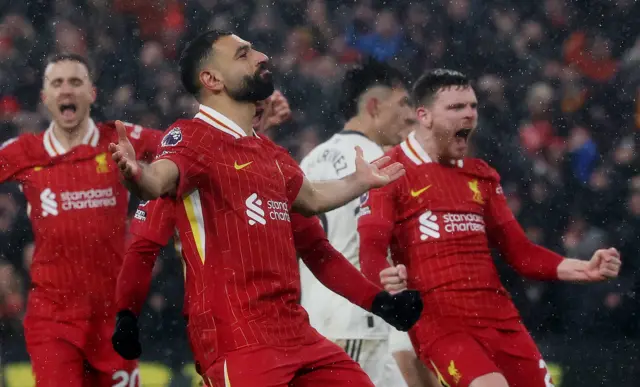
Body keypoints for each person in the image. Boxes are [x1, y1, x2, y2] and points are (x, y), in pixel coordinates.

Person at [109, 30, 420, 386]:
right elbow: (156, 181)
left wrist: (359, 182)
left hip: (297, 333)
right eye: (244, 54)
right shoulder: (191, 137)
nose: (261, 56)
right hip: (238, 338)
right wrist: (136, 175)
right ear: (212, 80)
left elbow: (314, 206)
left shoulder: (272, 156)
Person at [357, 69, 622, 387]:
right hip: (440, 322)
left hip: (501, 318)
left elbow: (521, 252)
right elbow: (370, 248)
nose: (469, 114)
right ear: (424, 116)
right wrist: (383, 277)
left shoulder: (481, 174)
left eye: (473, 106)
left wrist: (584, 269)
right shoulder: (389, 170)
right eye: (456, 107)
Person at [0, 53, 163, 386]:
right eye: (57, 83)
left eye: (75, 82)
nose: (66, 91)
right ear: (45, 97)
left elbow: (184, 148)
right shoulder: (23, 152)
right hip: (53, 320)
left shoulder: (117, 139)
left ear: (92, 93)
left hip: (113, 320)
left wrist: (252, 128)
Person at [298, 59, 437, 387]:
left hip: (320, 315)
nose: (408, 115)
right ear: (374, 106)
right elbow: (374, 246)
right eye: (402, 103)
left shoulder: (312, 158)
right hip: (359, 321)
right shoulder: (378, 164)